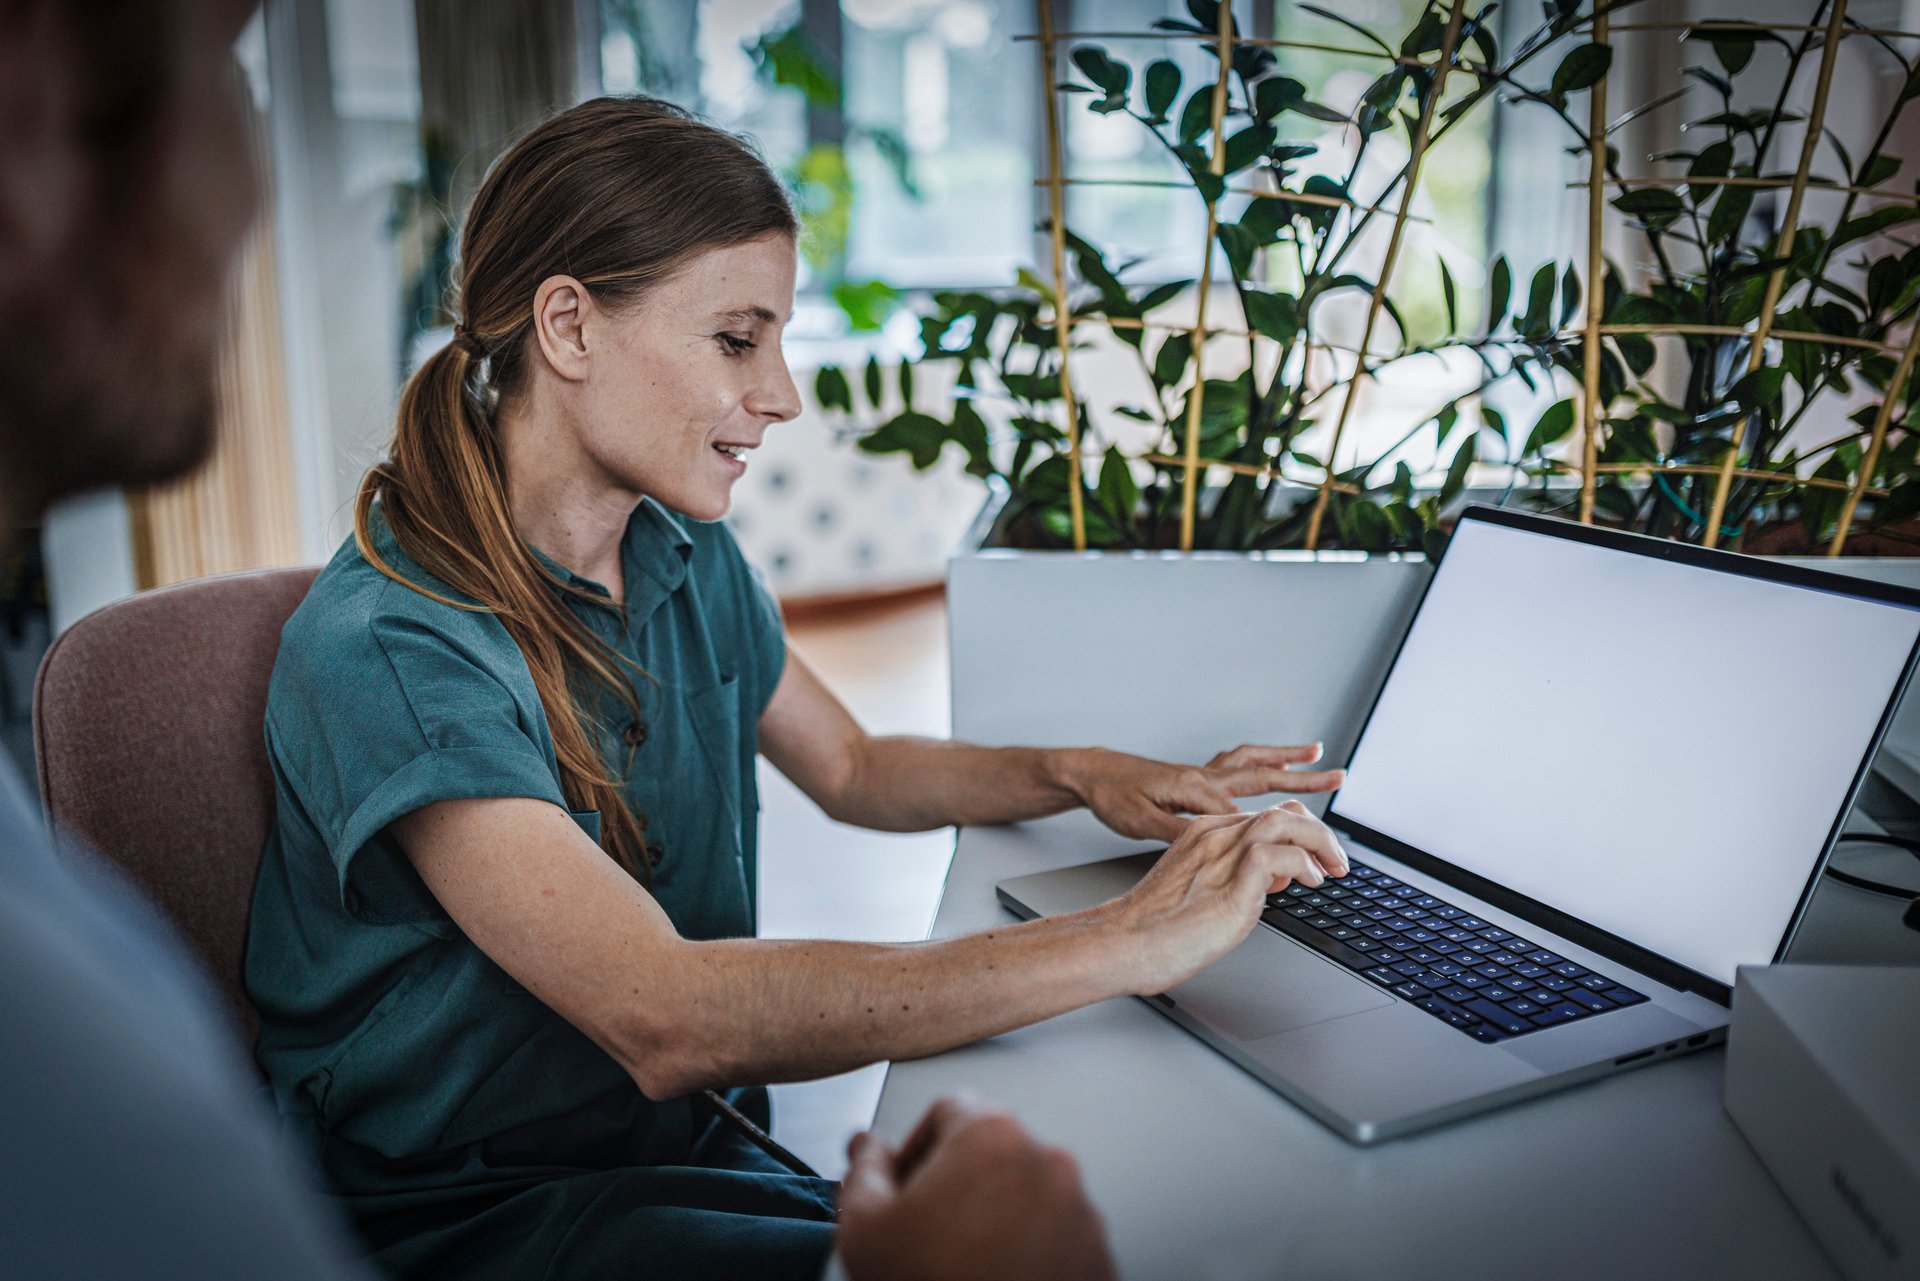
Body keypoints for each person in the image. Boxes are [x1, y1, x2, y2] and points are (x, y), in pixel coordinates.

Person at [244, 90, 1350, 1281]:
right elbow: (660, 1012)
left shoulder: (675, 548)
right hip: (481, 1220)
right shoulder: (395, 647)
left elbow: (855, 767)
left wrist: (1082, 773)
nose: (784, 393)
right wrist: (1132, 936)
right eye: (737, 338)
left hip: (682, 1152)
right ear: (567, 327)